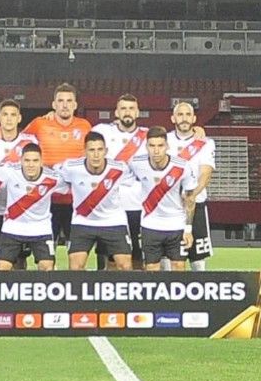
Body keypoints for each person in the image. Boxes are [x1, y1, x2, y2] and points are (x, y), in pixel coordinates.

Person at [22, 83, 91, 244]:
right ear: (54, 105)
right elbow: (20, 146)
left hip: (76, 199)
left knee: (77, 251)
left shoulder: (85, 126)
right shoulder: (40, 124)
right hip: (46, 199)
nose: (65, 105)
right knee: (42, 250)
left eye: (69, 101)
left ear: (75, 105)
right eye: (60, 101)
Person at [58, 132, 134, 271]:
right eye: (92, 150)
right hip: (83, 221)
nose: (96, 154)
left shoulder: (119, 168)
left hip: (113, 221)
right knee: (75, 267)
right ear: (85, 151)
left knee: (125, 266)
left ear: (106, 151)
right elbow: (55, 178)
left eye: (100, 150)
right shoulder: (71, 167)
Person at [130, 128, 201, 271]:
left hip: (176, 224)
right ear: (146, 147)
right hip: (150, 225)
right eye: (152, 146)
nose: (156, 151)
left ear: (167, 146)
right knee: (151, 268)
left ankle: (177, 294)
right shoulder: (135, 163)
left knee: (179, 266)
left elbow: (190, 198)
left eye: (160, 146)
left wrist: (188, 229)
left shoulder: (181, 166)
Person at [0, 99, 37, 263]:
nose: (9, 119)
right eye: (5, 115)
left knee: (19, 260)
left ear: (19, 118)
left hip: (17, 212)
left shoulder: (29, 143)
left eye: (13, 115)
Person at [94, 93, 150, 266]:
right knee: (109, 258)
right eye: (123, 108)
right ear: (116, 112)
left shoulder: (148, 136)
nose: (127, 112)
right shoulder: (101, 131)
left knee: (138, 257)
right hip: (109, 207)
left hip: (138, 206)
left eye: (131, 109)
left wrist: (197, 131)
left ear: (137, 112)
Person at [0, 145, 58, 270]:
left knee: (47, 267)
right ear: (21, 161)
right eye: (27, 160)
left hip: (41, 228)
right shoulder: (9, 171)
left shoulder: (53, 178)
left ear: (41, 162)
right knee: (2, 268)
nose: (31, 165)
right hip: (13, 227)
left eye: (35, 161)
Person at [167, 100, 217, 269]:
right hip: (169, 207)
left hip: (197, 205)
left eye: (188, 114)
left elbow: (206, 172)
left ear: (194, 118)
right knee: (167, 260)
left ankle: (200, 293)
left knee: (198, 260)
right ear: (173, 118)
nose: (184, 118)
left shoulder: (205, 143)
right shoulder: (163, 141)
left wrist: (192, 195)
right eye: (180, 114)